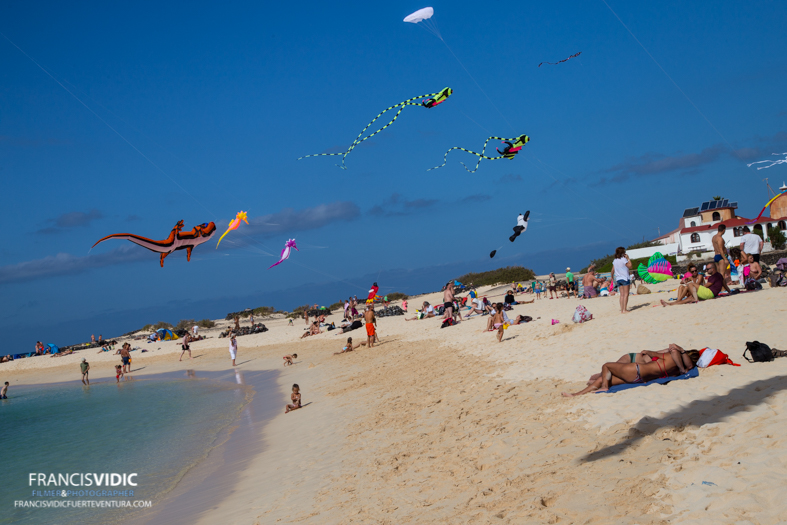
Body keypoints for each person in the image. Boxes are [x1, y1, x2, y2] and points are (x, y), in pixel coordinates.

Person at [562, 345, 700, 396]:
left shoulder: (668, 356)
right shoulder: (677, 371)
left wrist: (676, 349)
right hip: (639, 379)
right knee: (602, 378)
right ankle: (575, 394)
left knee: (606, 366)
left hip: (635, 370)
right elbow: (686, 366)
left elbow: (650, 353)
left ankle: (604, 387)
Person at [660, 261, 729, 306]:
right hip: (707, 293)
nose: (706, 270)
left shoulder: (713, 276)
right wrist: (729, 292)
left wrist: (690, 286)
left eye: (707, 269)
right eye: (693, 271)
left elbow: (705, 286)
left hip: (709, 293)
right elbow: (724, 284)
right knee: (688, 298)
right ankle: (670, 304)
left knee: (690, 285)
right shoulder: (719, 275)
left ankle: (695, 299)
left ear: (713, 269)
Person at [611, 247, 632, 314]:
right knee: (626, 294)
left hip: (618, 278)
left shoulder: (615, 260)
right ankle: (624, 309)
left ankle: (622, 309)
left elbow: (612, 270)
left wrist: (612, 277)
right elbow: (630, 266)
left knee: (622, 295)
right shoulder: (623, 259)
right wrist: (628, 258)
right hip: (625, 278)